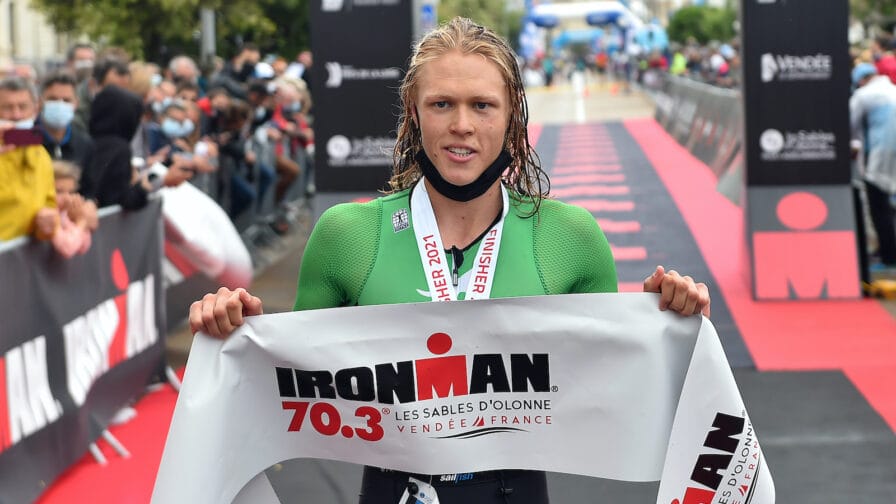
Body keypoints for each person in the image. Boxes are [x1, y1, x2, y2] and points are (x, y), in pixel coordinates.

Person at [189, 17, 710, 504]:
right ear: (414, 113)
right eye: (442, 104)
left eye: (482, 105)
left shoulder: (570, 237)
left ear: (512, 118)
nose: (462, 124)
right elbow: (289, 398)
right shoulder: (348, 235)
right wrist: (233, 330)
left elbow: (615, 394)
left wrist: (664, 325)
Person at [0, 76, 59, 241]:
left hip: (23, 259)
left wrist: (46, 224)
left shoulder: (41, 154)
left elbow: (49, 204)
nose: (16, 115)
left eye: (22, 106)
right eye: (7, 107)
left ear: (35, 109)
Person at [850, 62, 896, 269]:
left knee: (879, 207)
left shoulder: (863, 95)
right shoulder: (893, 90)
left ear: (860, 80)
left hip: (880, 156)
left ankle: (888, 256)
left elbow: (849, 127)